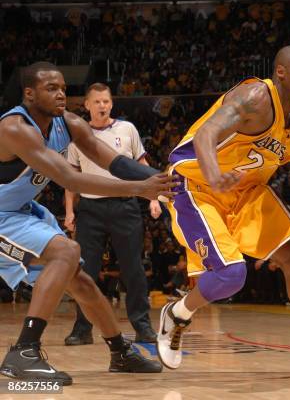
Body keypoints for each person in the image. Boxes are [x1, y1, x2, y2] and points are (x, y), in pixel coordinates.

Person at [156, 46, 290, 377]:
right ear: (280, 72)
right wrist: (215, 175)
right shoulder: (255, 97)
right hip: (197, 185)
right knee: (231, 276)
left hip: (246, 192)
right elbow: (206, 134)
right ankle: (177, 314)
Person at [0, 62, 177, 384]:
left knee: (79, 279)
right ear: (29, 94)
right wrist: (140, 189)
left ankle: (120, 351)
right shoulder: (14, 128)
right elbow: (71, 178)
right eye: (51, 89)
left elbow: (117, 163)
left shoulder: (67, 123)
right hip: (1, 217)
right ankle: (24, 351)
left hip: (19, 212)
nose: (61, 95)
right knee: (67, 253)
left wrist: (169, 182)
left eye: (64, 88)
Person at [63, 83, 161, 345]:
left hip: (125, 206)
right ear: (86, 105)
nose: (102, 106)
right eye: (97, 102)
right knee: (85, 272)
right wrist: (70, 211)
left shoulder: (127, 129)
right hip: (90, 210)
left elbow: (142, 166)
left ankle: (143, 326)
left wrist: (154, 196)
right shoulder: (77, 136)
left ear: (111, 104)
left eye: (106, 101)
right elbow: (70, 179)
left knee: (133, 270)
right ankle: (82, 330)